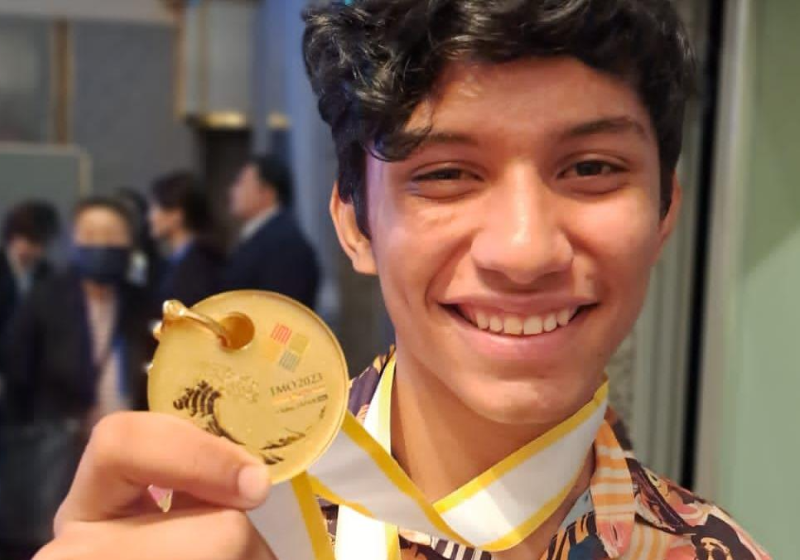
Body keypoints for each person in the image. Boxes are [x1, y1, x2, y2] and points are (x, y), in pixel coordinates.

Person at [35, 1, 769, 560]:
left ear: (665, 209)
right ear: (355, 224)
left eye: (592, 170)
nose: (523, 251)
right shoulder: (205, 521)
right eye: (446, 174)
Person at [0, 197, 153, 560]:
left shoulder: (141, 302)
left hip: (129, 446)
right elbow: (18, 367)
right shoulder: (46, 297)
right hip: (61, 443)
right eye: (91, 234)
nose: (101, 244)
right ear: (75, 241)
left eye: (111, 235)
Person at [223, 154, 320, 309]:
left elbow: (282, 312)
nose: (232, 191)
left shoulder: (284, 244)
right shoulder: (261, 237)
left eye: (240, 183)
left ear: (266, 192)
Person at [148, 171, 222, 308]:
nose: (150, 217)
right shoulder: (175, 261)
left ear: (177, 214)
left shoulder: (200, 265)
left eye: (155, 208)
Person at [0, 200, 60, 337]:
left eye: (43, 243)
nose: (38, 250)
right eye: (33, 241)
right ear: (14, 236)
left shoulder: (48, 273)